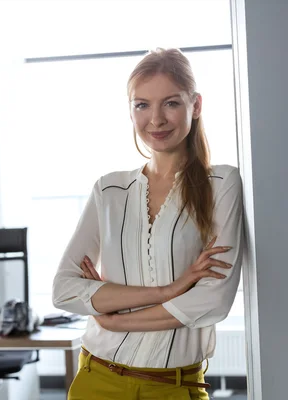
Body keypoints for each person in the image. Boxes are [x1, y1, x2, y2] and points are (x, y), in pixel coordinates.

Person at [52, 47, 244, 400]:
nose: (156, 119)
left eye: (170, 103)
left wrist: (112, 314)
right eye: (142, 105)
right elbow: (64, 289)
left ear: (195, 105)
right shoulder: (108, 189)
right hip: (97, 379)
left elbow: (212, 300)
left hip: (174, 387)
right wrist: (169, 292)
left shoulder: (222, 184)